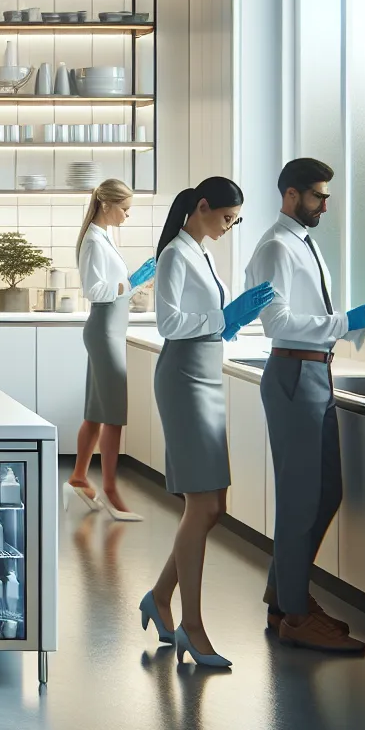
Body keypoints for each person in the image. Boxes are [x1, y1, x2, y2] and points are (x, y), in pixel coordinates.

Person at [245, 158, 365, 655]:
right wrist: (345, 322)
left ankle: (284, 596)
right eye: (317, 196)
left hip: (314, 372)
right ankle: (295, 616)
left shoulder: (304, 243)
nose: (325, 205)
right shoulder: (276, 248)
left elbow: (311, 313)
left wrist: (347, 324)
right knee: (302, 498)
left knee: (325, 492)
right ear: (291, 195)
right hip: (294, 373)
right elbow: (278, 323)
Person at [139, 176, 273, 668]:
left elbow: (208, 317)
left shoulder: (203, 252)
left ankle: (159, 596)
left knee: (213, 506)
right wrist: (223, 317)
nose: (228, 227)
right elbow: (168, 323)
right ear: (202, 207)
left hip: (207, 374)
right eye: (226, 218)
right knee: (201, 504)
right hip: (183, 379)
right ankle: (191, 627)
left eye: (235, 221)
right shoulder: (175, 254)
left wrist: (232, 320)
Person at [66, 178, 155, 522]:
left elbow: (114, 287)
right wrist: (130, 282)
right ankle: (110, 488)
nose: (127, 215)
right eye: (125, 209)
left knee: (96, 411)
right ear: (107, 205)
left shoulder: (104, 236)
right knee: (114, 414)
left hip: (112, 329)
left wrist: (133, 283)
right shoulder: (93, 241)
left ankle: (78, 477)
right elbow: (95, 290)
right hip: (104, 330)